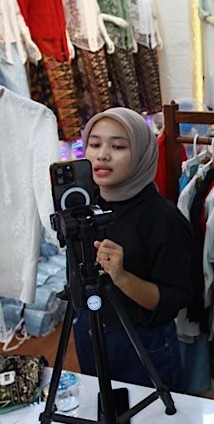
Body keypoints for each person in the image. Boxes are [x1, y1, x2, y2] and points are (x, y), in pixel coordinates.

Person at [74, 107, 192, 389]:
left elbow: (172, 299)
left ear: (140, 153)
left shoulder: (164, 219)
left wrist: (122, 276)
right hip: (90, 332)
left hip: (142, 342)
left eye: (117, 146)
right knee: (102, 416)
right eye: (94, 144)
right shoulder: (82, 204)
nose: (102, 155)